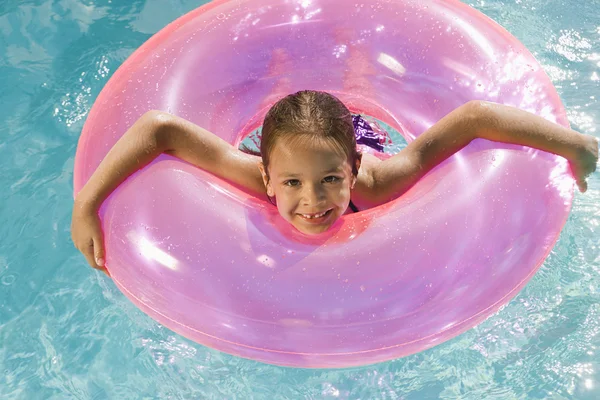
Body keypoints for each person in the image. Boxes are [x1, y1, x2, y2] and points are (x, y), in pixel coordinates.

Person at [71, 90, 598, 275]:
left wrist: (575, 143)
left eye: (330, 181)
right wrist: (86, 204)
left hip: (357, 133)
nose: (312, 201)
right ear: (268, 179)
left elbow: (473, 117)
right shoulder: (257, 178)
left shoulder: (379, 180)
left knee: (319, 147)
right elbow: (158, 128)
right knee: (298, 150)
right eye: (293, 185)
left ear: (351, 173)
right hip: (287, 141)